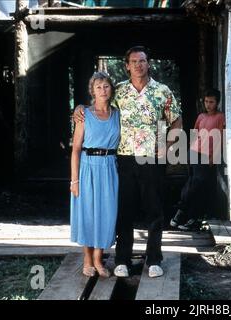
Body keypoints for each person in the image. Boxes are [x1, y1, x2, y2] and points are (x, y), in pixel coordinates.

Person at [74, 46, 182, 278]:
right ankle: (122, 259)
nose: (138, 65)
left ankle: (154, 260)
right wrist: (79, 108)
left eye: (142, 61)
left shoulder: (162, 91)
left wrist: (164, 146)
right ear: (126, 65)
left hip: (151, 159)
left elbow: (177, 124)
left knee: (154, 210)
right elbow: (98, 102)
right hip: (122, 158)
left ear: (148, 63)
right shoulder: (119, 91)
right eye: (133, 61)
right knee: (124, 209)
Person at [70, 72, 120, 278]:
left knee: (107, 214)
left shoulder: (117, 113)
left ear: (111, 90)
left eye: (106, 86)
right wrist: (74, 179)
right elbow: (75, 149)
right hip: (88, 167)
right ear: (92, 90)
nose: (103, 90)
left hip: (109, 167)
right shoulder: (84, 115)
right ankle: (87, 259)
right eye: (98, 87)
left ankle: (99, 259)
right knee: (88, 213)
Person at [170, 88, 225, 231]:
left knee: (198, 186)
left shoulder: (220, 117)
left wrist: (215, 155)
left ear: (217, 102)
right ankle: (183, 214)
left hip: (208, 155)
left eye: (211, 102)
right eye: (206, 102)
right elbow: (195, 134)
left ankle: (190, 217)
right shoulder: (201, 116)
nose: (208, 105)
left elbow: (221, 138)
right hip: (194, 152)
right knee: (190, 184)